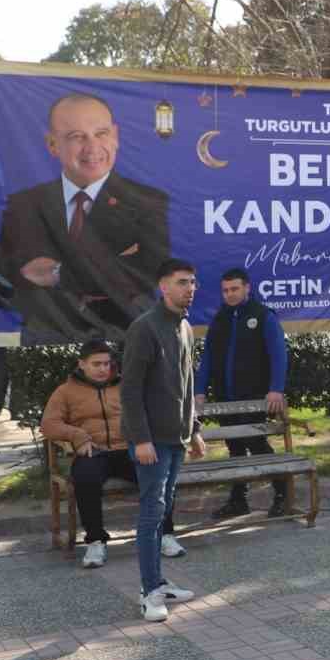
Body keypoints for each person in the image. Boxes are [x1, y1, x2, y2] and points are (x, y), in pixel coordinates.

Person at [0, 92, 172, 344]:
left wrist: (59, 273)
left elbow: (148, 273)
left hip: (124, 335)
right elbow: (6, 280)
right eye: (77, 136)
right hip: (46, 338)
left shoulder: (147, 203)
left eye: (101, 133)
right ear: (52, 144)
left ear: (115, 136)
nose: (92, 147)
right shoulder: (23, 206)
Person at [40, 339, 184, 568]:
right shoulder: (66, 391)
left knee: (158, 474)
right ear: (82, 364)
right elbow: (48, 424)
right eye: (96, 364)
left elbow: (151, 411)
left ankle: (164, 534)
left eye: (106, 364)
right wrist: (77, 435)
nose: (103, 369)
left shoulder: (127, 386)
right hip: (94, 451)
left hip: (129, 449)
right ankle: (96, 541)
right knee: (85, 479)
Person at [121, 257, 205, 622]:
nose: (190, 288)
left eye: (193, 282)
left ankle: (158, 580)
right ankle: (148, 592)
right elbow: (129, 390)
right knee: (151, 513)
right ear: (163, 286)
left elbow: (187, 384)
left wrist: (194, 430)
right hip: (151, 442)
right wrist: (141, 439)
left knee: (163, 511)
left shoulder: (184, 327)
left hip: (176, 438)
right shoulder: (144, 328)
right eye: (182, 282)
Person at [195, 267, 290, 519]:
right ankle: (239, 501)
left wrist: (276, 389)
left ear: (247, 287)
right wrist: (199, 391)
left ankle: (283, 496)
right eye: (225, 290)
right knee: (234, 447)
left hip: (254, 396)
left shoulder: (263, 315)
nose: (230, 294)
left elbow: (278, 355)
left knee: (256, 444)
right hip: (225, 396)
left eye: (235, 289)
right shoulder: (219, 319)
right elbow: (207, 358)